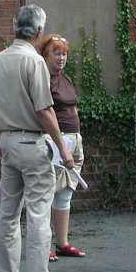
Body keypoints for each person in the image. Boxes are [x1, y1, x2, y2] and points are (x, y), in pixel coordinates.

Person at [0, 4, 73, 272]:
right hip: (32, 143)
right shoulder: (34, 61)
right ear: (38, 31)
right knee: (38, 215)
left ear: (15, 27)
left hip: (7, 141)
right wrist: (62, 148)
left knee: (6, 214)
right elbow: (44, 110)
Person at [39, 33, 87, 260]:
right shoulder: (43, 80)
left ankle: (62, 243)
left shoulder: (64, 79)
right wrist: (59, 144)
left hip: (74, 139)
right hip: (57, 142)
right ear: (45, 55)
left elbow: (72, 107)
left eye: (64, 54)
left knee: (66, 192)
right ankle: (43, 245)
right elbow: (43, 112)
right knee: (48, 191)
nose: (61, 58)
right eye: (56, 53)